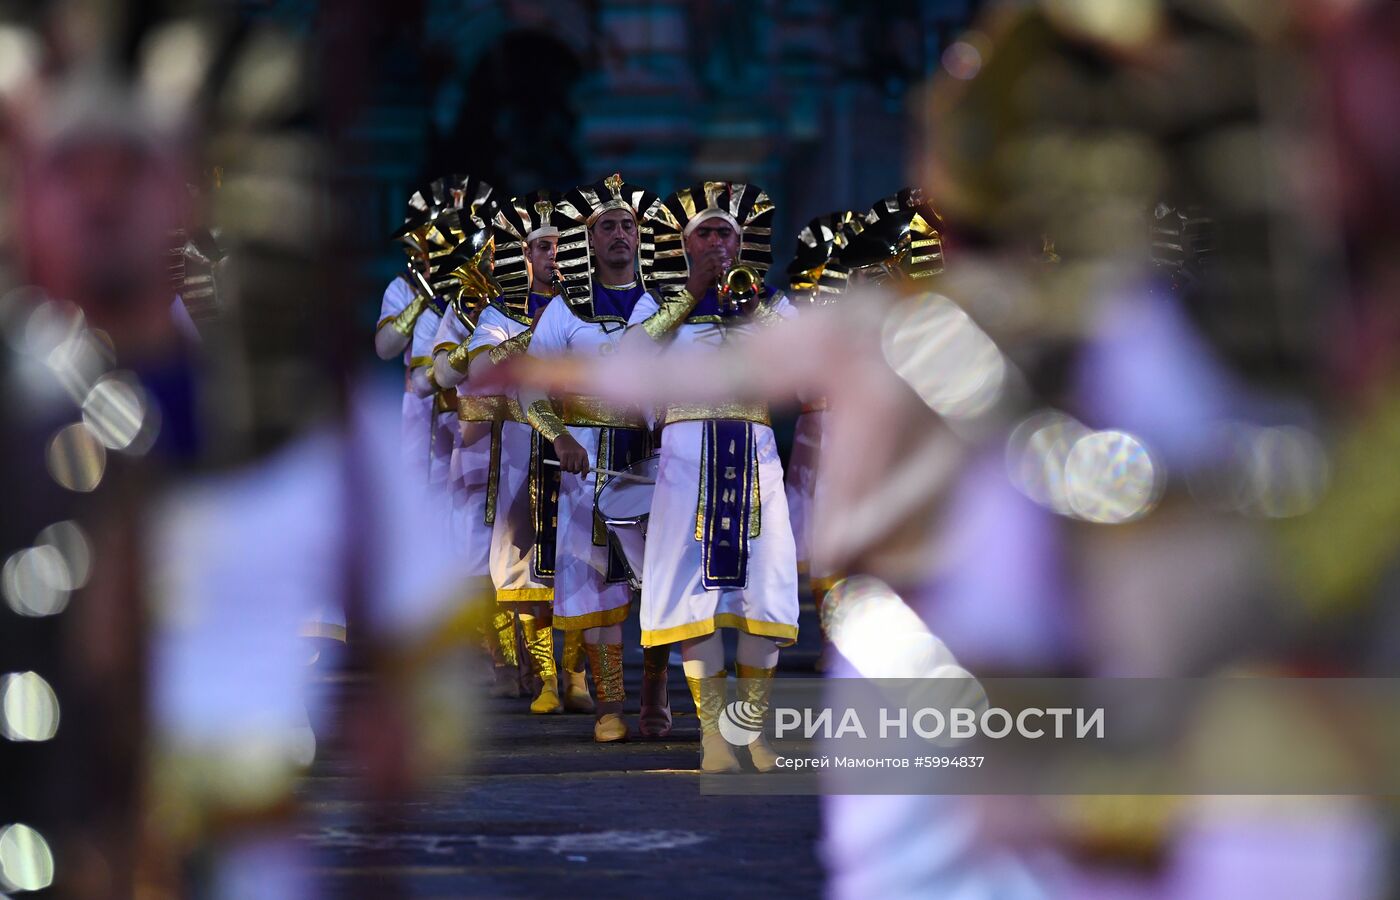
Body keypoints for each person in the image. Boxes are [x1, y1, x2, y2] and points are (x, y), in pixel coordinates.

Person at [623, 181, 800, 773]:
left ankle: (750, 733)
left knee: (764, 592)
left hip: (755, 456)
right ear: (685, 243)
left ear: (743, 242)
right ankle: (712, 738)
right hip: (686, 457)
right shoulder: (657, 305)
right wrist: (690, 296)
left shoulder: (769, 301)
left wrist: (761, 314)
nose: (717, 241)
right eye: (706, 232)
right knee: (691, 593)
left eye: (727, 232)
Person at [521, 173, 670, 742]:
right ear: (588, 238)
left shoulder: (664, 305)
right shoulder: (564, 310)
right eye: (606, 225)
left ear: (640, 237)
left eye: (627, 225)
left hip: (651, 460)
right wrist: (559, 437)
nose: (619, 235)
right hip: (585, 465)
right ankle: (610, 707)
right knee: (600, 592)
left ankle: (655, 698)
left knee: (659, 586)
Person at [432, 190, 592, 714]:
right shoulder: (500, 311)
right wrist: (538, 341)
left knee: (583, 560)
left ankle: (576, 679)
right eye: (543, 247)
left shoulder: (590, 308)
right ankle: (542, 677)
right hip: (521, 447)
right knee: (524, 561)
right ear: (525, 256)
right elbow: (475, 370)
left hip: (584, 442)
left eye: (559, 246)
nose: (553, 255)